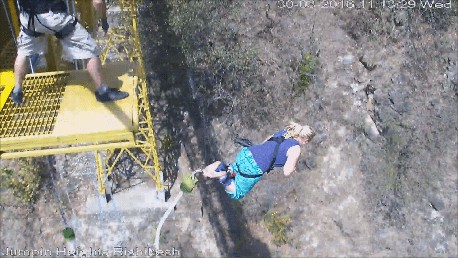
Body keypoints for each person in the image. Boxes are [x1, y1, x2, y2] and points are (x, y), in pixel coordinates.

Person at [11, 0, 128, 105]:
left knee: (23, 53)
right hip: (54, 17)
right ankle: (102, 91)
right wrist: (104, 20)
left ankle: (17, 90)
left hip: (28, 18)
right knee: (90, 50)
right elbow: (97, 2)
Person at [203, 122, 315, 200]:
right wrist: (293, 167)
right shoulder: (296, 148)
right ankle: (221, 176)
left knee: (233, 171)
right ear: (306, 140)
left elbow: (267, 141)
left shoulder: (286, 132)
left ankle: (221, 168)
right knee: (237, 193)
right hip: (256, 167)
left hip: (247, 153)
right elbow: (287, 171)